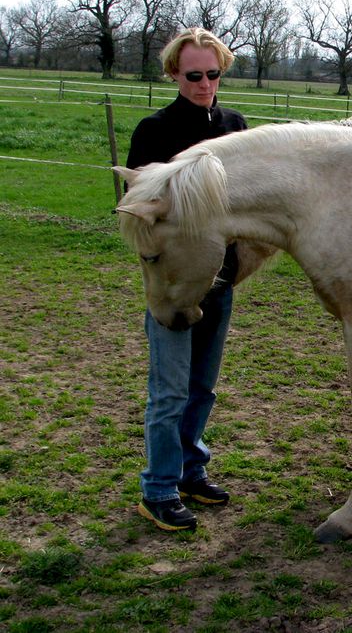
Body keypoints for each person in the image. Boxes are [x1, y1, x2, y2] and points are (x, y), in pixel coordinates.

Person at [126, 28, 247, 531]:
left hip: (220, 281)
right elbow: (137, 212)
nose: (204, 84)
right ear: (174, 74)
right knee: (170, 390)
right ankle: (158, 488)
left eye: (213, 74)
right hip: (176, 282)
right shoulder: (153, 131)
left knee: (202, 388)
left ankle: (191, 472)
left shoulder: (236, 127)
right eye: (193, 75)